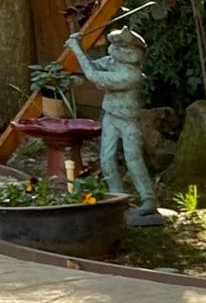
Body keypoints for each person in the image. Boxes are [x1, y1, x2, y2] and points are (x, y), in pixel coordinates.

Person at [66, 27, 161, 221]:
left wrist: (76, 49)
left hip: (128, 121)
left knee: (133, 159)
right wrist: (80, 50)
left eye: (124, 46)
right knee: (106, 159)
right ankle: (117, 198)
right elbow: (93, 66)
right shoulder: (113, 62)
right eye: (117, 45)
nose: (118, 49)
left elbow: (94, 76)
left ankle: (148, 199)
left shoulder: (131, 75)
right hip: (110, 116)